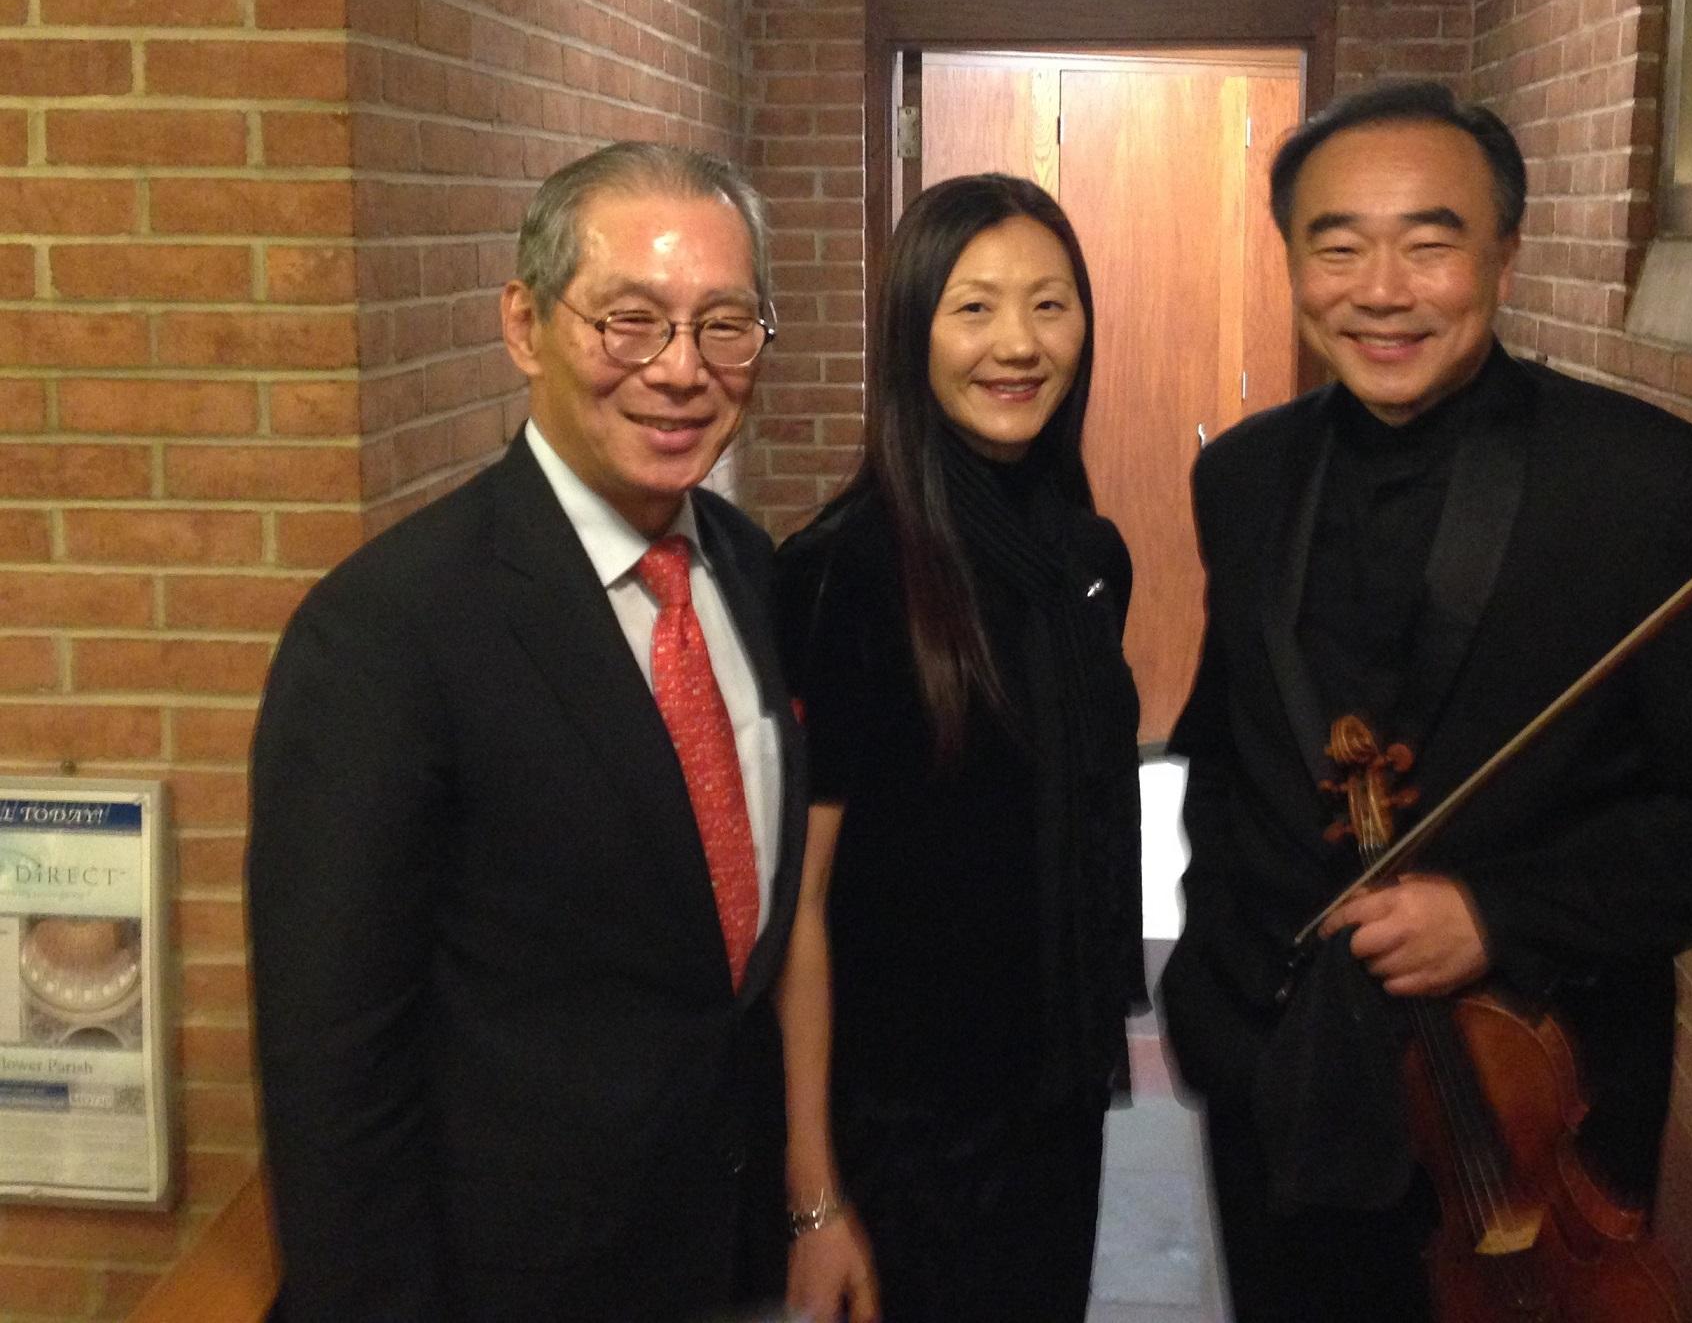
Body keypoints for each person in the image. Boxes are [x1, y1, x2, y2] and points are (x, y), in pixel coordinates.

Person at [1158, 80, 1692, 1320]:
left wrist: (1500, 912)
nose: (1381, 289)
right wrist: (1209, 983)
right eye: (1337, 243)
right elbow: (1227, 738)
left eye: (1431, 241)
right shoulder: (1244, 475)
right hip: (1281, 1074)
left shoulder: (1657, 490)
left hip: (1526, 1101)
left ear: (1505, 252)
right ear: (1294, 258)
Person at [247, 143, 806, 1322]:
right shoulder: (386, 637)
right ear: (524, 325)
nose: (680, 371)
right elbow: (335, 1073)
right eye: (630, 321)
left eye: (724, 325)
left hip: (717, 1256)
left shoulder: (746, 570)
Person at [771, 174, 1145, 1323]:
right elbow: (804, 908)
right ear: (911, 334)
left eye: (1051, 304)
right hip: (906, 1133)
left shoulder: (1086, 555)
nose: (1019, 345)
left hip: (1052, 1097)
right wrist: (817, 1199)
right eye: (974, 308)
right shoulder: (847, 569)